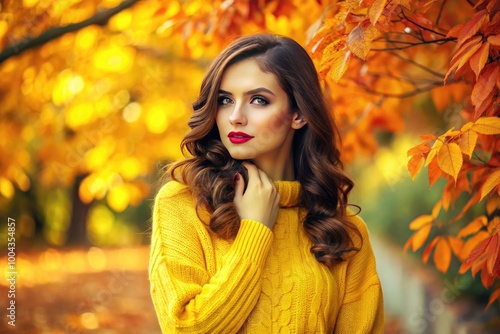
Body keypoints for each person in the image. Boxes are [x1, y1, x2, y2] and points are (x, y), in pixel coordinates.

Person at [149, 33, 384, 333]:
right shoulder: (183, 203)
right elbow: (185, 328)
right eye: (225, 100)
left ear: (298, 114)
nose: (235, 117)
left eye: (258, 100)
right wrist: (255, 230)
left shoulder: (341, 231)